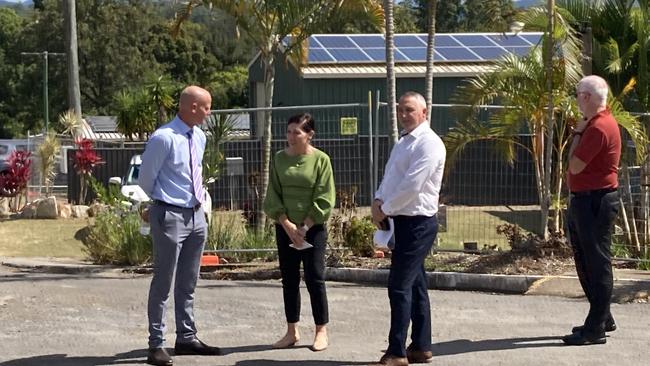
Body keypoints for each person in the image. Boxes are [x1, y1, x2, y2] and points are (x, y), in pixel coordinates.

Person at [138, 85, 220, 366]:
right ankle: (156, 345)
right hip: (170, 215)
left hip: (196, 216)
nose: (210, 112)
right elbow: (146, 179)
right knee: (163, 281)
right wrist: (160, 205)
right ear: (192, 107)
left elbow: (194, 172)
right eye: (207, 107)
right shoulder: (163, 138)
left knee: (189, 281)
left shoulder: (199, 136)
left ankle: (186, 338)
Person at [371, 92, 446, 366]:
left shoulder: (429, 144)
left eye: (410, 110)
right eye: (401, 109)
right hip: (400, 221)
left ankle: (396, 352)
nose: (404, 114)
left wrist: (385, 208)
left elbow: (412, 187)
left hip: (418, 223)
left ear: (424, 112)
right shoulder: (404, 142)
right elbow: (391, 177)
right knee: (416, 284)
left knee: (399, 286)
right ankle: (421, 346)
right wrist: (378, 201)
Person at [263, 113, 336, 352]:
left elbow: (325, 196)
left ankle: (321, 331)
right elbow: (273, 194)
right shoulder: (279, 159)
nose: (291, 137)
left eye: (298, 132)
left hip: (312, 230)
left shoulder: (321, 160)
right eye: (289, 131)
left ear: (309, 135)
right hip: (286, 228)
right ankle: (292, 331)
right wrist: (287, 224)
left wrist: (304, 227)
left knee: (315, 278)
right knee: (289, 279)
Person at [563, 75, 621, 346]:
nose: (576, 100)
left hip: (594, 202)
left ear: (587, 97)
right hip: (587, 199)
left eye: (577, 95)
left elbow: (575, 165)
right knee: (587, 261)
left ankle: (595, 327)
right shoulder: (600, 123)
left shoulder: (597, 127)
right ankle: (602, 317)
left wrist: (577, 132)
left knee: (596, 264)